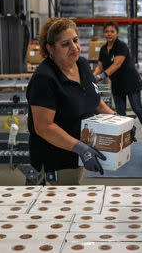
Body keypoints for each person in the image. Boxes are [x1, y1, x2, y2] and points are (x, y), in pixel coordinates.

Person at [26, 17, 116, 185]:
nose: (74, 47)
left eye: (75, 40)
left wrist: (120, 122)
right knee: (62, 204)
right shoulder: (45, 78)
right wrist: (81, 148)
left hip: (81, 151)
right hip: (58, 158)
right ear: (50, 48)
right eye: (65, 44)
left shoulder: (81, 64)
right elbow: (44, 127)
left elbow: (95, 101)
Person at [93, 21, 142, 144]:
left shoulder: (121, 46)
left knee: (137, 107)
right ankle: (127, 133)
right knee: (120, 113)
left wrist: (102, 76)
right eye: (106, 31)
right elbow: (100, 66)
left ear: (117, 33)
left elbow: (117, 64)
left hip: (131, 82)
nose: (109, 34)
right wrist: (92, 77)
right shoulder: (103, 49)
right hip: (117, 84)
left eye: (112, 31)